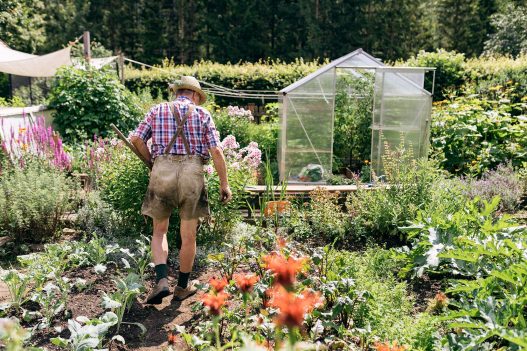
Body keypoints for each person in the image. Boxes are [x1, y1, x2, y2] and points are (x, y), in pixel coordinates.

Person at [130, 76, 232, 304]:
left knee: (160, 231)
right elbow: (216, 151)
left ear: (177, 92)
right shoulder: (202, 114)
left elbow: (136, 139)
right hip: (192, 173)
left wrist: (151, 163)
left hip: (162, 170)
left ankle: (162, 280)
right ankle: (182, 287)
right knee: (188, 235)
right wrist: (224, 184)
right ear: (195, 95)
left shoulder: (157, 110)